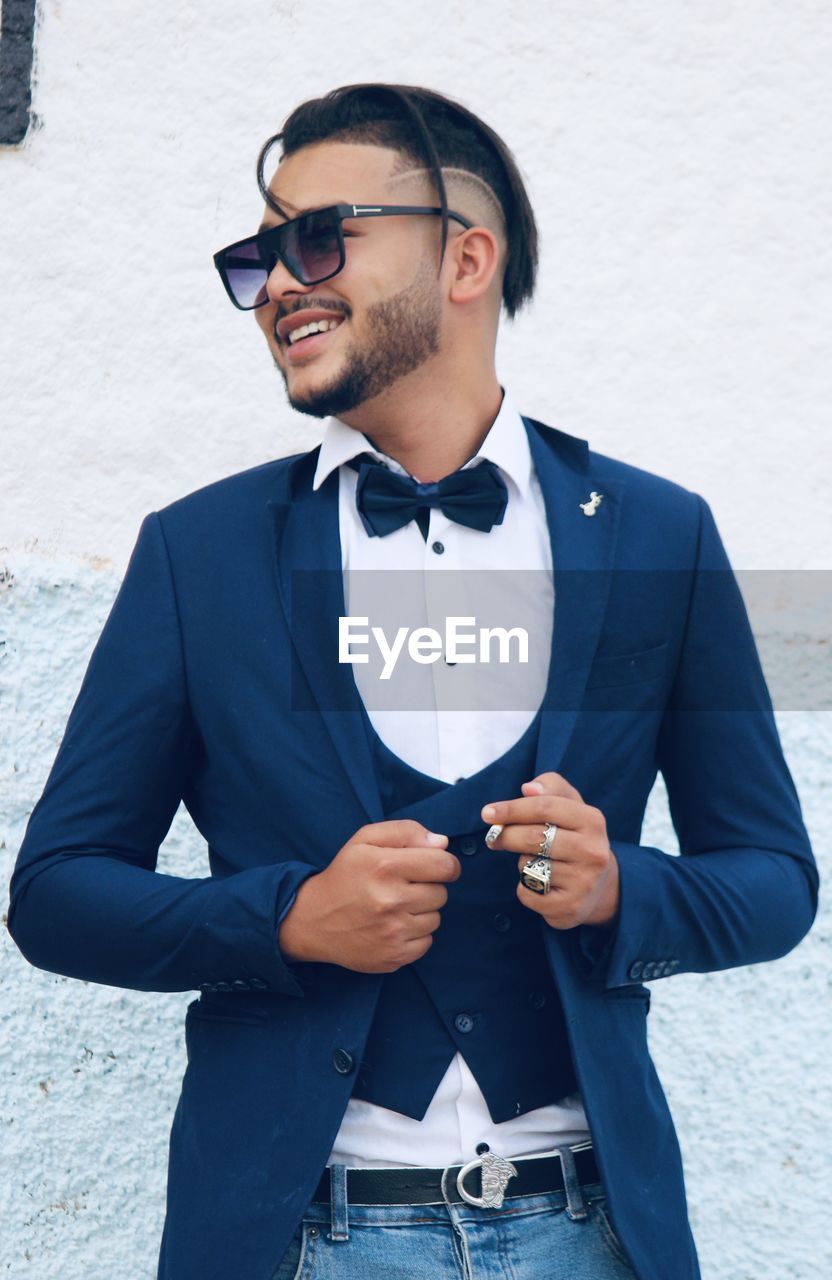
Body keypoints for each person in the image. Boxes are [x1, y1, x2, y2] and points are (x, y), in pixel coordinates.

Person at [7, 83, 818, 1280]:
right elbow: (58, 891)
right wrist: (285, 917)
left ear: (465, 257)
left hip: (588, 1231)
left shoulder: (657, 533)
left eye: (317, 236)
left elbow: (775, 879)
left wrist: (616, 889)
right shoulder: (200, 552)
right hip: (299, 1236)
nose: (278, 282)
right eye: (257, 256)